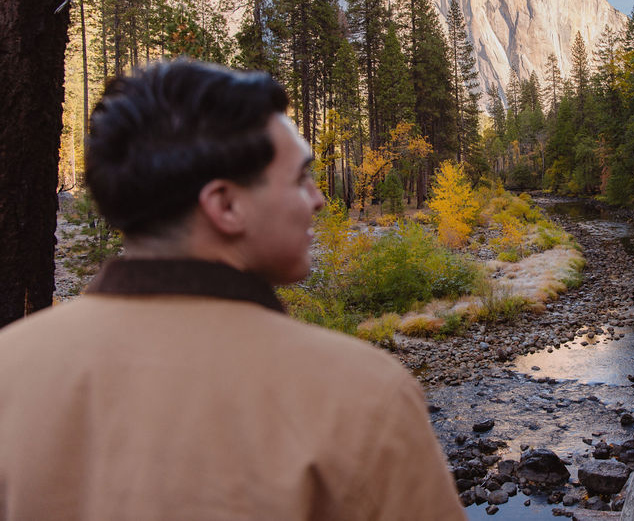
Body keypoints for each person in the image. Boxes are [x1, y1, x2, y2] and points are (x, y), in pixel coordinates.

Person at [0, 59, 465, 520]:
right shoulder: (363, 395)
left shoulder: (10, 365)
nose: (319, 199)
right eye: (301, 177)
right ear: (226, 205)